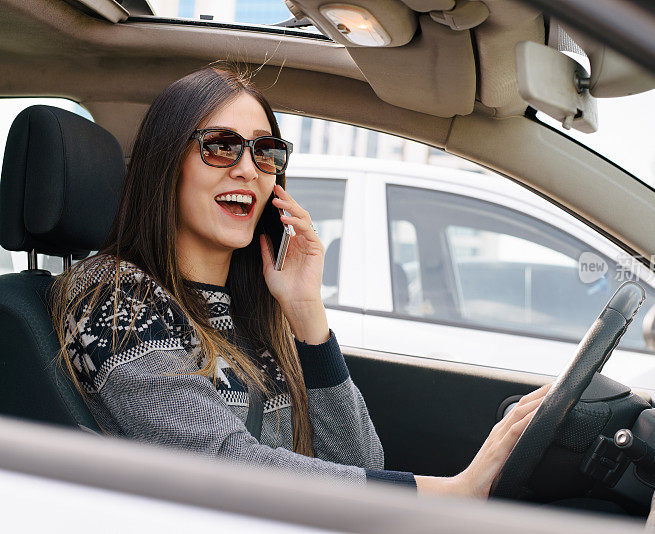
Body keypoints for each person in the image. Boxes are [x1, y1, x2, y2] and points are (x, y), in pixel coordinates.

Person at [52, 64, 549, 497]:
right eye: (221, 147)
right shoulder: (110, 295)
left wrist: (307, 312)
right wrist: (453, 492)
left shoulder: (254, 307)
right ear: (166, 163)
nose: (249, 169)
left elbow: (360, 465)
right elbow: (223, 464)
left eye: (265, 151)